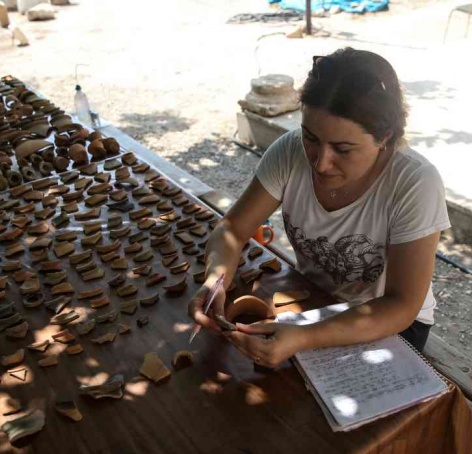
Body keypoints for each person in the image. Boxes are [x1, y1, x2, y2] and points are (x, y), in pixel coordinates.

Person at [188, 48, 450, 368]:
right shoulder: (290, 152)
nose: (321, 163)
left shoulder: (415, 183)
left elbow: (402, 304)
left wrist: (305, 337)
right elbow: (232, 230)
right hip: (315, 299)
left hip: (390, 321)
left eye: (343, 149)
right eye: (310, 137)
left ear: (386, 137)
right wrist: (215, 280)